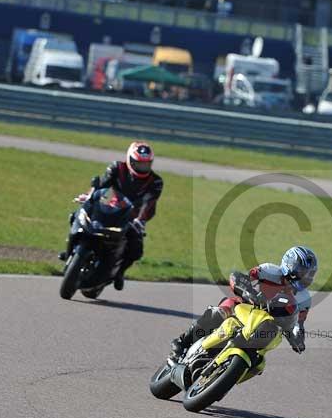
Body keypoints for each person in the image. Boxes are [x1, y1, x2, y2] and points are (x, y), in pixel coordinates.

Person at [170, 246, 318, 360]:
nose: (307, 277)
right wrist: (248, 292)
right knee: (220, 312)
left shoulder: (304, 298)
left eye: (310, 274)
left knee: (262, 355)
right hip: (244, 306)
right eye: (303, 272)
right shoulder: (269, 270)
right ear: (290, 265)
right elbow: (240, 278)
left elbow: (299, 324)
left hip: (267, 325)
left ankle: (245, 363)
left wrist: (298, 340)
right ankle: (183, 341)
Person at [68, 141, 163, 290]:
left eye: (146, 164)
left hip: (134, 216)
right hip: (113, 207)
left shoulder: (156, 181)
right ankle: (72, 247)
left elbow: (150, 202)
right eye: (138, 164)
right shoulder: (116, 168)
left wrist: (140, 220)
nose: (142, 168)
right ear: (130, 159)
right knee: (77, 215)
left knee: (136, 248)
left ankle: (119, 272)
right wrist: (88, 196)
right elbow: (101, 186)